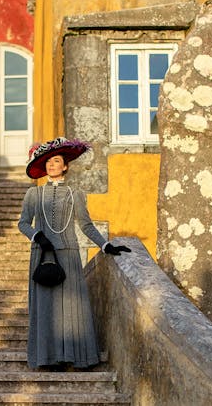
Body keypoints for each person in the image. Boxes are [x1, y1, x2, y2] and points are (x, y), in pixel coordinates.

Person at [18, 137, 130, 370]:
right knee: (46, 308)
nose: (51, 165)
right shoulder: (33, 195)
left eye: (56, 161)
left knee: (70, 309)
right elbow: (23, 223)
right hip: (42, 254)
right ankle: (48, 358)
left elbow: (86, 225)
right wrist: (37, 236)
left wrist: (105, 245)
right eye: (48, 161)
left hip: (68, 255)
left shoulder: (75, 194)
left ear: (65, 166)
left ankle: (71, 356)